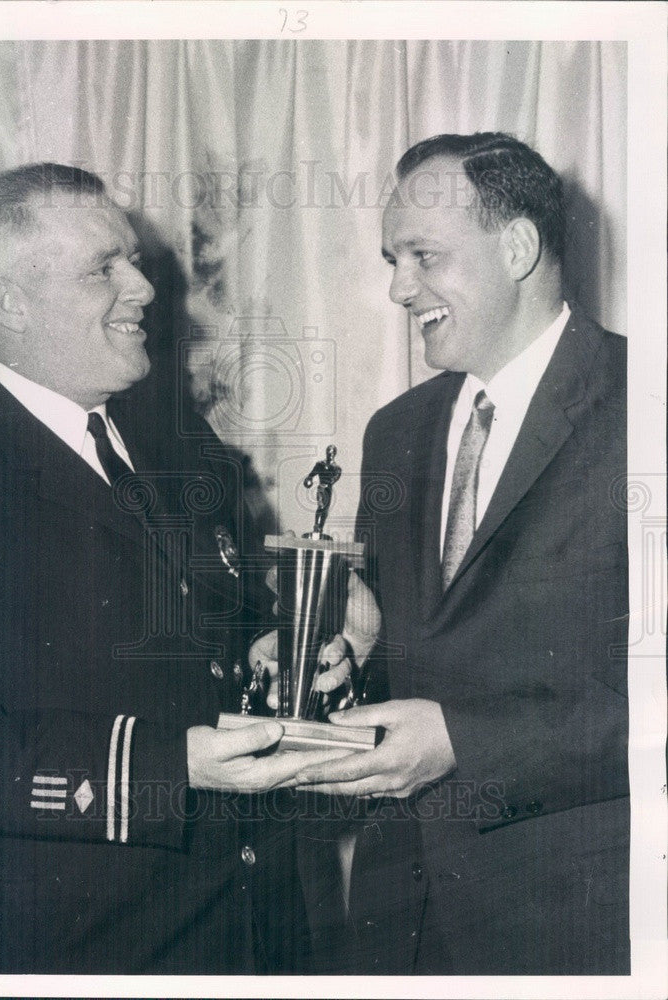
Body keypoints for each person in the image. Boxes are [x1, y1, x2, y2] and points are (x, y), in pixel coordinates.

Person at [0, 162, 340, 974]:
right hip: (63, 952)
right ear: (10, 301)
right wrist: (165, 767)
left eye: (131, 260)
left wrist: (275, 651)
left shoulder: (183, 443)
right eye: (103, 268)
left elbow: (228, 625)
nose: (142, 287)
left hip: (249, 932)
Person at [295, 133, 629, 974]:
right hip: (392, 917)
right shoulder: (396, 432)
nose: (398, 288)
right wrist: (350, 660)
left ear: (516, 247)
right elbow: (422, 653)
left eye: (423, 256)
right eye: (391, 259)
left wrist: (463, 746)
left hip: (574, 924)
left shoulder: (645, 407)